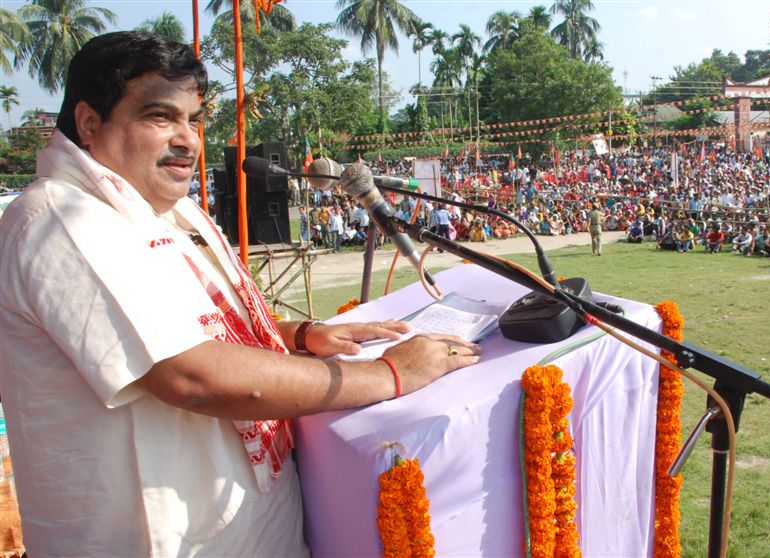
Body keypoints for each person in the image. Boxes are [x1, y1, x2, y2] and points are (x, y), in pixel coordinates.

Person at [0, 32, 481, 557]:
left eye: (194, 119)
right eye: (161, 117)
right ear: (91, 123)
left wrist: (297, 335)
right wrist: (390, 374)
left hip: (251, 523)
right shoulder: (60, 218)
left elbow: (194, 328)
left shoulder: (168, 209)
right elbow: (191, 375)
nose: (188, 140)